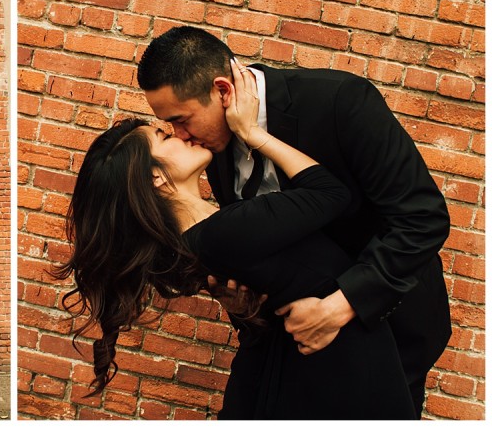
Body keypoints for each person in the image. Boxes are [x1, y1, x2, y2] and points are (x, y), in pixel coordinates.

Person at [57, 66, 415, 419]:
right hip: (340, 369)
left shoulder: (207, 235)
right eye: (166, 138)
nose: (180, 136)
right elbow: (332, 193)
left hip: (323, 359)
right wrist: (255, 134)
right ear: (155, 177)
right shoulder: (225, 230)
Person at [136, 26, 451, 417]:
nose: (180, 134)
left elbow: (422, 217)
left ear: (222, 91)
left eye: (182, 120)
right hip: (294, 344)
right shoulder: (209, 147)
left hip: (387, 330)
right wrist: (245, 301)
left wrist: (341, 306)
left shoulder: (339, 101)